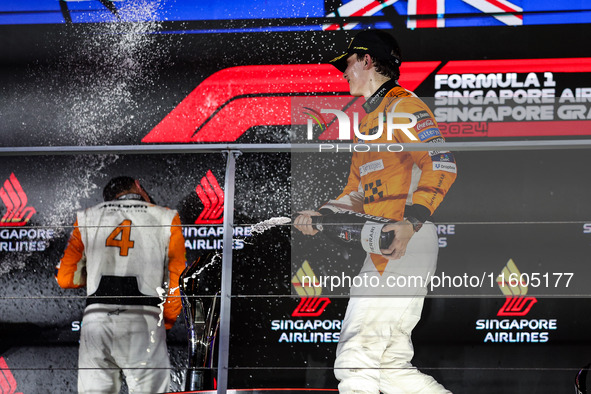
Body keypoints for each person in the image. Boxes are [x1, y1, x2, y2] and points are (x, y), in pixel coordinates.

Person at [294, 30, 457, 393]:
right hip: (384, 244)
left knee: (355, 359)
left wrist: (412, 221)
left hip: (405, 239)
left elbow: (442, 164)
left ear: (368, 61)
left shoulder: (403, 105)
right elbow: (356, 193)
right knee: (389, 368)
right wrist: (322, 213)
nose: (344, 72)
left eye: (348, 64)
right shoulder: (368, 123)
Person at [55, 176, 186, 393]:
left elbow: (65, 278)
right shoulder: (166, 217)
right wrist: (166, 323)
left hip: (96, 321)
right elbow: (177, 281)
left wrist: (97, 272)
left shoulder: (88, 217)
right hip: (144, 319)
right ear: (137, 185)